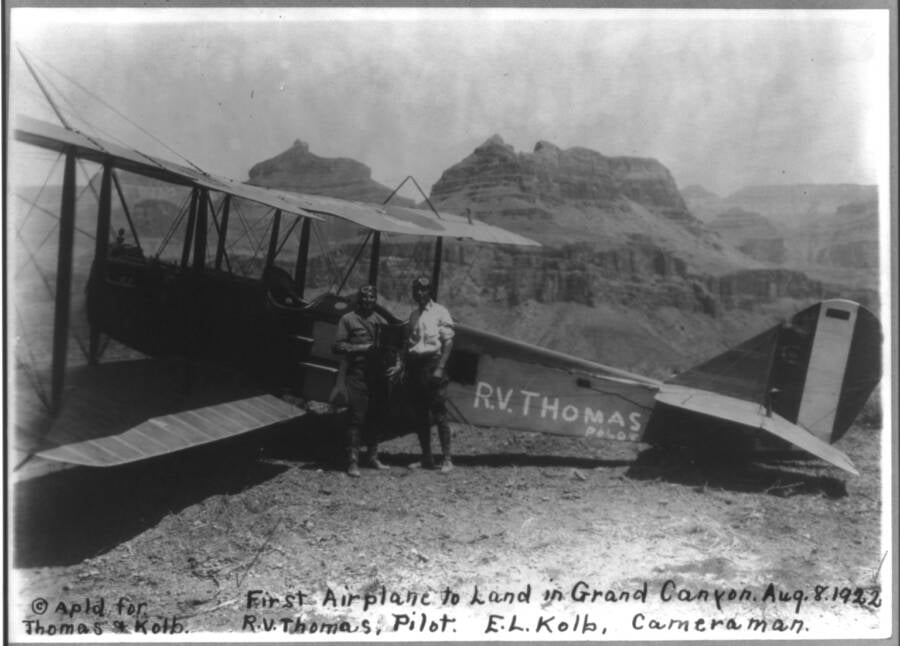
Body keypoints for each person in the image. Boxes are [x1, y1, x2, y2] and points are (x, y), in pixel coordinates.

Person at [389, 275, 455, 473]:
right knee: (420, 415)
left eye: (424, 289)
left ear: (430, 291)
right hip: (416, 368)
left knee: (439, 413)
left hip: (432, 365)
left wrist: (440, 368)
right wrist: (401, 366)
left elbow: (448, 342)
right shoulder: (414, 315)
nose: (420, 293)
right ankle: (426, 457)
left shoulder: (440, 312)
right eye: (416, 289)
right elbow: (408, 345)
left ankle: (447, 459)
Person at [332, 285, 391, 477]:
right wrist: (362, 348)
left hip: (376, 376)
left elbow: (389, 349)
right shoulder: (347, 319)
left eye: (372, 298)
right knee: (356, 419)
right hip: (356, 374)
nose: (368, 301)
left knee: (376, 417)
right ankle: (353, 462)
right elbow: (337, 346)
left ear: (375, 300)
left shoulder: (380, 322)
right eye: (364, 298)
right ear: (359, 300)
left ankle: (373, 458)